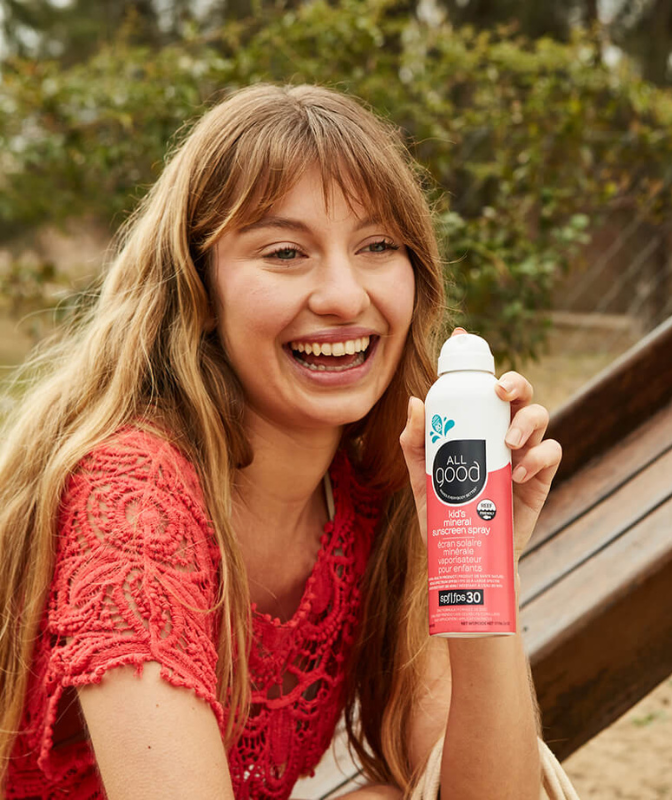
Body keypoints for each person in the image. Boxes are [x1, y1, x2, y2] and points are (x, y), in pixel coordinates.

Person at [0, 83, 562, 799]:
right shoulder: (133, 496)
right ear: (199, 289)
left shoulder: (382, 492)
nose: (342, 295)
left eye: (378, 245)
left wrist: (481, 574)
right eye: (286, 251)